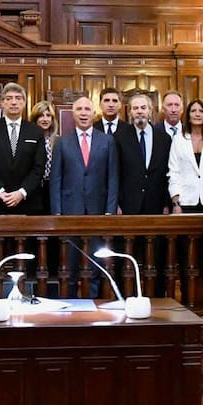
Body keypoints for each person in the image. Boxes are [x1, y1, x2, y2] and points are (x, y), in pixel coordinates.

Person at [51, 95, 119, 297]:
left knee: (96, 263)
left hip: (98, 211)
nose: (83, 113)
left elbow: (112, 178)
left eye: (87, 109)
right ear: (73, 114)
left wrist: (110, 210)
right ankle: (72, 306)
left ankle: (94, 304)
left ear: (93, 113)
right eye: (79, 109)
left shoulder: (107, 140)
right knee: (70, 265)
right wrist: (57, 212)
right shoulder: (62, 142)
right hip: (70, 211)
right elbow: (56, 179)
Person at [0, 82, 46, 215]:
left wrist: (22, 192)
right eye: (9, 98)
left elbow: (39, 167)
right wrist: (0, 191)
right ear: (2, 103)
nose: (13, 102)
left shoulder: (35, 131)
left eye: (18, 98)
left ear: (24, 103)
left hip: (27, 202)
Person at [114, 93, 172, 215]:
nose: (139, 111)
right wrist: (117, 203)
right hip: (129, 205)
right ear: (130, 112)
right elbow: (116, 172)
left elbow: (168, 173)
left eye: (143, 108)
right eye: (135, 108)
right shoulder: (119, 138)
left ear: (150, 111)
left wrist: (167, 203)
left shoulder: (164, 139)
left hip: (157, 205)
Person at [30, 99, 58, 215]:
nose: (45, 119)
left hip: (52, 187)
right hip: (33, 187)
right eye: (41, 116)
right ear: (35, 119)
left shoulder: (59, 141)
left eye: (48, 116)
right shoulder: (28, 139)